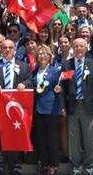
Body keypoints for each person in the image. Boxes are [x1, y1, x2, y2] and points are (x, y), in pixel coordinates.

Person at [60, 38, 93, 175]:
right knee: (73, 139)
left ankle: (91, 168)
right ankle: (76, 168)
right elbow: (63, 87)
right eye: (76, 46)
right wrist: (62, 106)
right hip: (72, 107)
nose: (79, 48)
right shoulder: (66, 64)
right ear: (73, 48)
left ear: (86, 48)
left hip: (89, 107)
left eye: (82, 46)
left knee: (90, 139)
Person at [0, 39, 33, 174]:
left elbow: (30, 79)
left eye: (10, 47)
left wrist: (24, 84)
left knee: (16, 137)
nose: (7, 50)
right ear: (0, 50)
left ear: (14, 49)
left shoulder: (24, 65)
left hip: (16, 110)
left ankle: (15, 168)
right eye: (4, 48)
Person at [32, 45, 63, 175]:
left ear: (50, 56)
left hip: (52, 109)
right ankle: (43, 163)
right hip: (38, 109)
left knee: (52, 139)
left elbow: (61, 87)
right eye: (40, 54)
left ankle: (53, 165)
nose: (42, 55)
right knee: (41, 138)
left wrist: (59, 89)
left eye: (45, 53)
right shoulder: (33, 72)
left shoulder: (55, 71)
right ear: (36, 57)